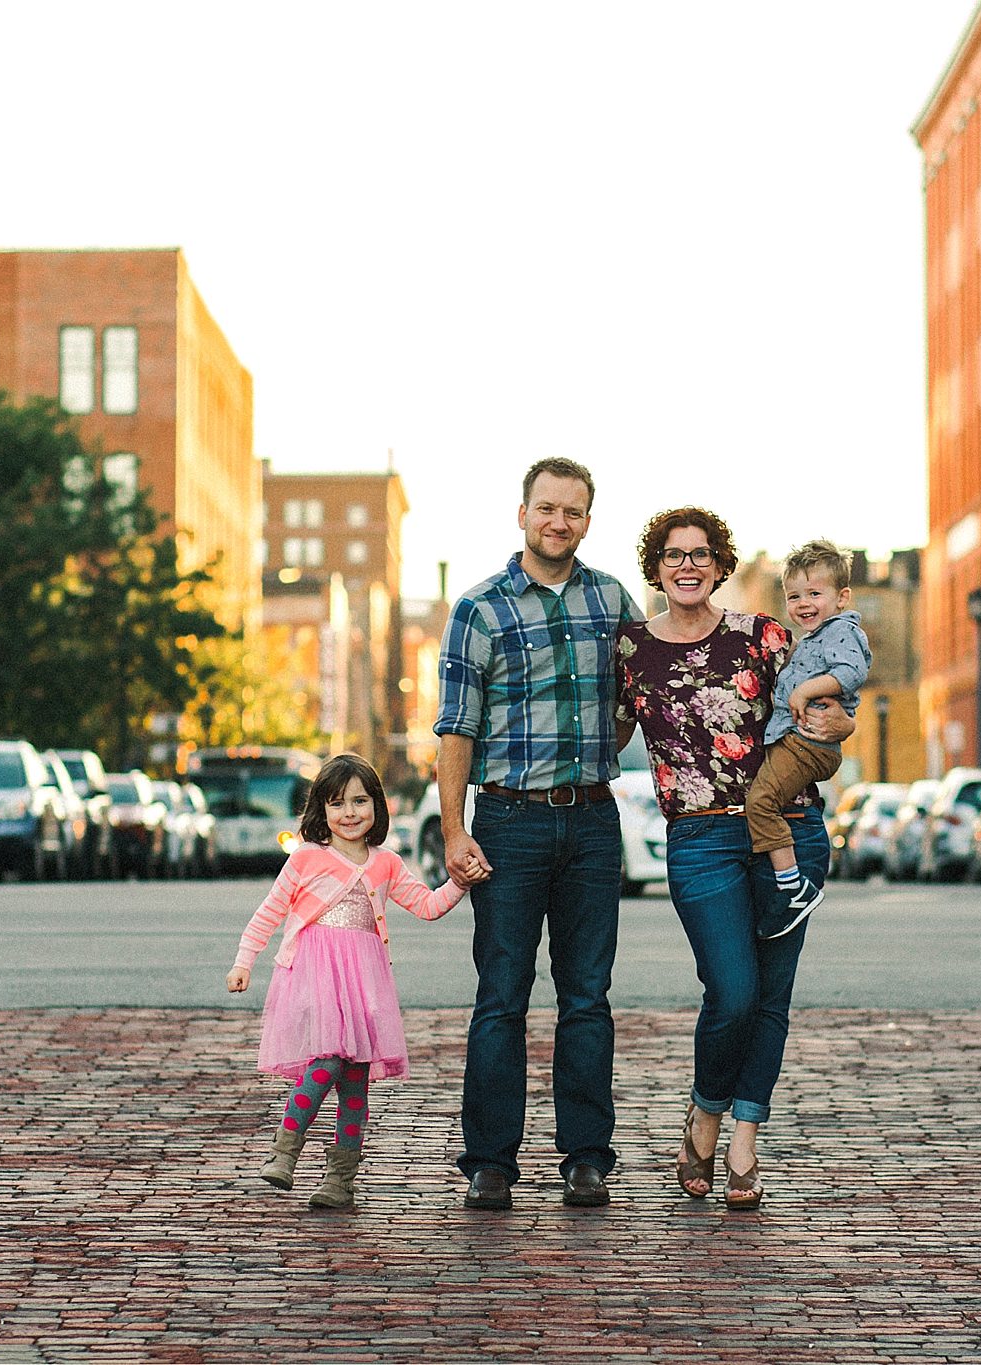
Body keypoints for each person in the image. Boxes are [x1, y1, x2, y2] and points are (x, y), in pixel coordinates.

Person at [614, 507, 853, 1210]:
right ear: (655, 567)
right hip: (700, 841)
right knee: (734, 991)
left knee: (771, 998)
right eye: (673, 554)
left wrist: (842, 719)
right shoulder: (628, 650)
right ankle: (706, 1112)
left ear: (719, 565)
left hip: (790, 826)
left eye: (700, 554)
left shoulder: (763, 636)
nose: (687, 565)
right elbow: (603, 732)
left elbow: (829, 710)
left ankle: (743, 1138)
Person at [434, 457, 642, 1211]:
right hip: (508, 822)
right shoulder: (479, 609)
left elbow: (635, 699)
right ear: (521, 513)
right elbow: (455, 730)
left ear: (588, 519)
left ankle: (587, 1159)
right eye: (547, 508)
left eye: (574, 511)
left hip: (590, 820)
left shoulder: (612, 599)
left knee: (587, 996)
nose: (560, 521)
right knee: (502, 996)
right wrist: (454, 830)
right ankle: (490, 1162)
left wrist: (600, 740)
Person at [225, 753, 472, 1210]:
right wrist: (244, 961)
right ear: (321, 810)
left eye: (360, 801)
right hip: (314, 976)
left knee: (355, 1083)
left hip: (365, 983)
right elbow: (269, 912)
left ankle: (340, 1182)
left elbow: (427, 905)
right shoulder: (305, 859)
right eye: (338, 804)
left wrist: (461, 882)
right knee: (330, 1061)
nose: (351, 813)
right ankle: (286, 1149)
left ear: (377, 805)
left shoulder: (386, 863)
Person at [745, 540, 871, 940]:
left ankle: (793, 887)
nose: (804, 603)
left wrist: (805, 691)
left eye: (815, 593)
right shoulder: (814, 638)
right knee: (767, 800)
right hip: (802, 742)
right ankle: (790, 883)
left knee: (761, 804)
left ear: (841, 597)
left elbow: (851, 672)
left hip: (808, 744)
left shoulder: (841, 632)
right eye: (794, 596)